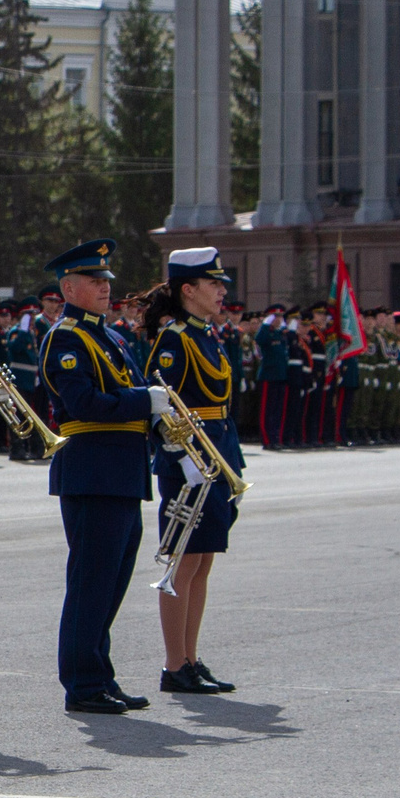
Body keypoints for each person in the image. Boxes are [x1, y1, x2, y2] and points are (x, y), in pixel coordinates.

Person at [40, 236, 166, 714]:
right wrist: (143, 401)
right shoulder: (67, 337)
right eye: (95, 281)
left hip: (120, 471)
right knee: (92, 580)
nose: (105, 288)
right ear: (69, 288)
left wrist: (156, 414)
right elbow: (83, 404)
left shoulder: (108, 336)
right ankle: (82, 682)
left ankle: (99, 672)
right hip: (92, 470)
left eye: (106, 281)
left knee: (110, 581)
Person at [142, 248, 245, 695]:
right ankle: (172, 665)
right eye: (214, 284)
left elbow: (221, 410)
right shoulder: (174, 340)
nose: (221, 291)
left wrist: (232, 465)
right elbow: (161, 406)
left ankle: (190, 657)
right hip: (187, 464)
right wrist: (184, 459)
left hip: (214, 458)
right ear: (189, 289)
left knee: (202, 562)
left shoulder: (207, 336)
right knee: (183, 563)